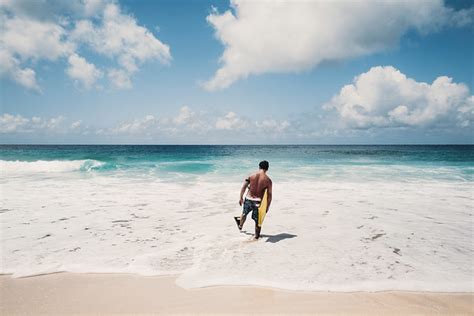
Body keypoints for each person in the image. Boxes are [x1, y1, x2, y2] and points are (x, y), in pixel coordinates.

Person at [238, 160, 272, 239]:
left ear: (259, 167)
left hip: (248, 198)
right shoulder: (268, 180)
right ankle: (256, 236)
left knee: (244, 213)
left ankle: (240, 226)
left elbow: (244, 187)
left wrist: (240, 197)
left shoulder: (251, 175)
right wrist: (267, 207)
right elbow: (269, 195)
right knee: (258, 220)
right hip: (258, 201)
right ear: (267, 169)